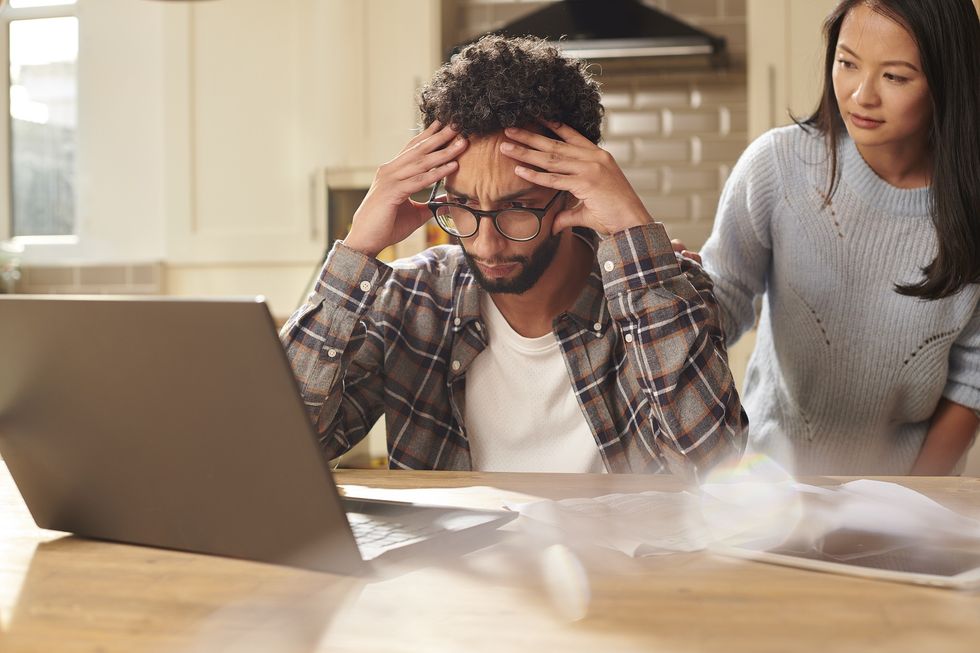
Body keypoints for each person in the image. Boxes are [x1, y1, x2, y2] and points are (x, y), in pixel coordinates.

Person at [280, 35, 746, 478]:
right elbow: (281, 450)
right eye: (462, 207)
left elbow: (714, 468)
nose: (484, 243)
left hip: (622, 561)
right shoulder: (410, 300)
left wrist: (633, 235)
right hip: (451, 562)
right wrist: (358, 248)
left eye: (517, 208)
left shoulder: (663, 291)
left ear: (569, 192)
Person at [694, 0, 980, 475]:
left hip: (906, 508)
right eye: (847, 63)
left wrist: (908, 503)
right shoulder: (778, 166)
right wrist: (673, 300)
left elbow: (973, 375)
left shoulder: (969, 208)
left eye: (895, 77)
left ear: (948, 82)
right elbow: (725, 295)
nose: (861, 95)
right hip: (771, 491)